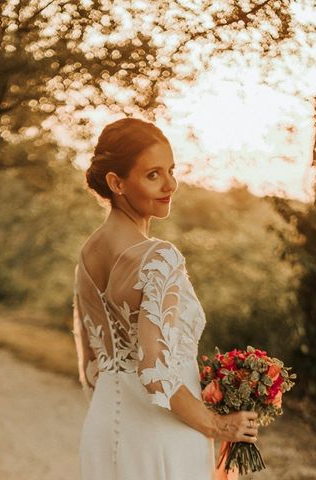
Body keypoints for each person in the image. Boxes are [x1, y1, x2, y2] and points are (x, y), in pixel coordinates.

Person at [72, 117, 259, 480]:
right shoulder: (159, 256)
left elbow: (93, 364)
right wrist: (218, 426)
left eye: (171, 170)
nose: (171, 184)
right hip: (162, 434)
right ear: (116, 182)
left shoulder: (87, 254)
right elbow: (156, 371)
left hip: (105, 428)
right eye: (153, 174)